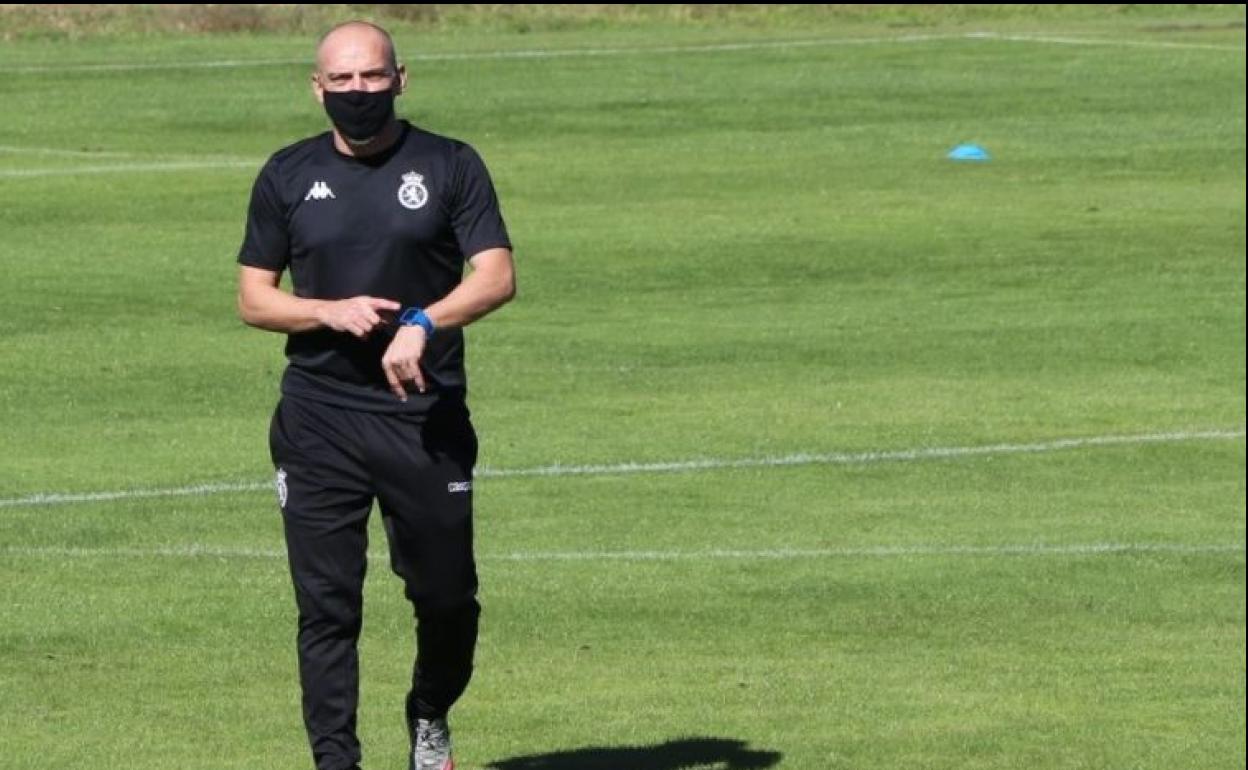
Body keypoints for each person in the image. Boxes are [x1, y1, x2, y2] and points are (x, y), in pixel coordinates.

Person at [235, 20, 515, 770]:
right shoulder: (287, 174)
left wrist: (423, 320)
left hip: (423, 418)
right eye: (343, 80)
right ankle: (337, 762)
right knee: (328, 609)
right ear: (317, 87)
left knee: (447, 598)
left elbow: (495, 276)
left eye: (372, 77)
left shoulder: (451, 165)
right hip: (318, 420)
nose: (358, 92)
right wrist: (326, 311)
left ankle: (429, 713)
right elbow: (254, 299)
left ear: (401, 78)